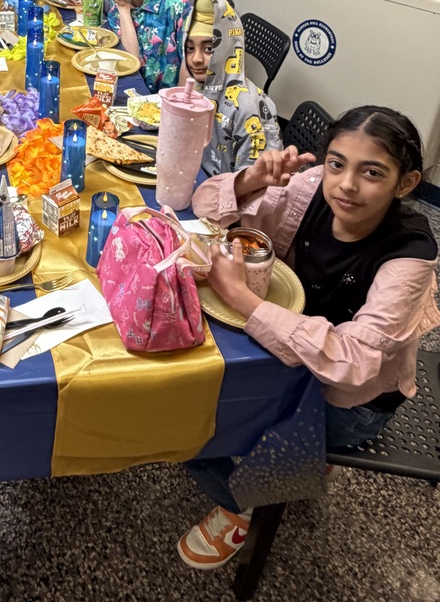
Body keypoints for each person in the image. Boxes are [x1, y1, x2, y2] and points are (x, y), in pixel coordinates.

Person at [178, 106, 439, 571]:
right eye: (337, 163)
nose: (346, 185)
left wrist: (245, 300)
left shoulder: (410, 257)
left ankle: (241, 501)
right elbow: (204, 207)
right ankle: (293, 463)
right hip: (288, 354)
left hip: (350, 400)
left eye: (372, 172)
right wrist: (248, 182)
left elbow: (354, 363)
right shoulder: (314, 187)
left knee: (189, 424)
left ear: (406, 184)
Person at [183, 0, 282, 175]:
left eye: (209, 49)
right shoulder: (199, 85)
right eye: (189, 48)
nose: (196, 59)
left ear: (226, 49)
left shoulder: (244, 108)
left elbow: (250, 181)